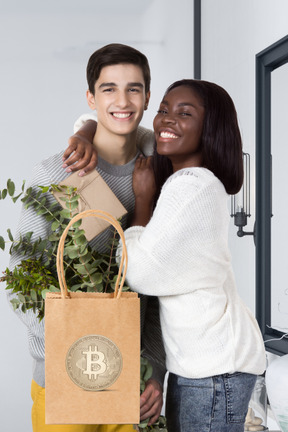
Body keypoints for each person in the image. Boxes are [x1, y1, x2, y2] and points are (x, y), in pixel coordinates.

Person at [9, 43, 166, 432]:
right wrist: (66, 342)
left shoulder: (160, 179)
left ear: (147, 96)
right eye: (109, 89)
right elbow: (20, 278)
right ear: (90, 98)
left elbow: (159, 288)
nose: (122, 100)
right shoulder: (56, 174)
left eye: (134, 88)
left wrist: (157, 370)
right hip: (63, 375)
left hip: (132, 380)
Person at [115, 79, 266, 432]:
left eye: (184, 113)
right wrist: (87, 129)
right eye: (163, 110)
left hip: (214, 368)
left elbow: (138, 273)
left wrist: (141, 203)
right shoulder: (190, 182)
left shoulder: (192, 186)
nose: (167, 120)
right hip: (207, 365)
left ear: (209, 127)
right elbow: (128, 132)